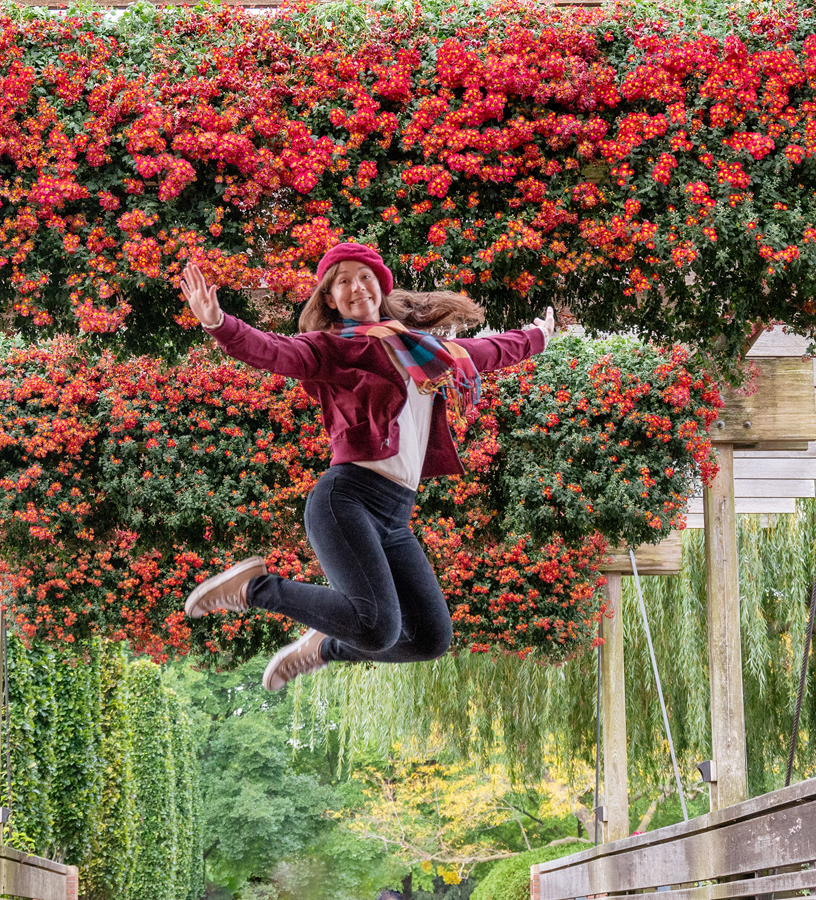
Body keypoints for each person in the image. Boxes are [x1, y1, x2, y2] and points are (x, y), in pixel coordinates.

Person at [180, 242, 555, 691]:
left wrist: (538, 337)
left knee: (429, 638)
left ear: (380, 286)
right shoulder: (330, 349)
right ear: (330, 299)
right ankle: (255, 588)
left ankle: (323, 646)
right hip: (348, 499)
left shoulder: (422, 351)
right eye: (343, 281)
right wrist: (219, 324)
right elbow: (272, 351)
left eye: (365, 277)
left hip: (396, 516)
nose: (357, 287)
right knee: (376, 626)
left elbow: (485, 352)